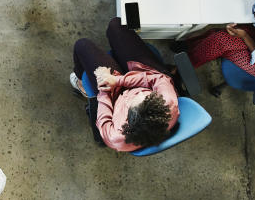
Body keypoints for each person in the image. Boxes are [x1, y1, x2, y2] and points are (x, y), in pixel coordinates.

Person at [71, 17, 179, 152]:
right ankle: (119, 57)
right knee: (116, 25)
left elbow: (104, 117)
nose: (136, 93)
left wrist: (105, 85)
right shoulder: (167, 102)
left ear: (128, 121)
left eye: (132, 101)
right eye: (146, 94)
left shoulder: (114, 136)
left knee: (82, 45)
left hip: (114, 95)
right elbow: (157, 78)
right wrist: (118, 80)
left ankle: (81, 83)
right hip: (143, 74)